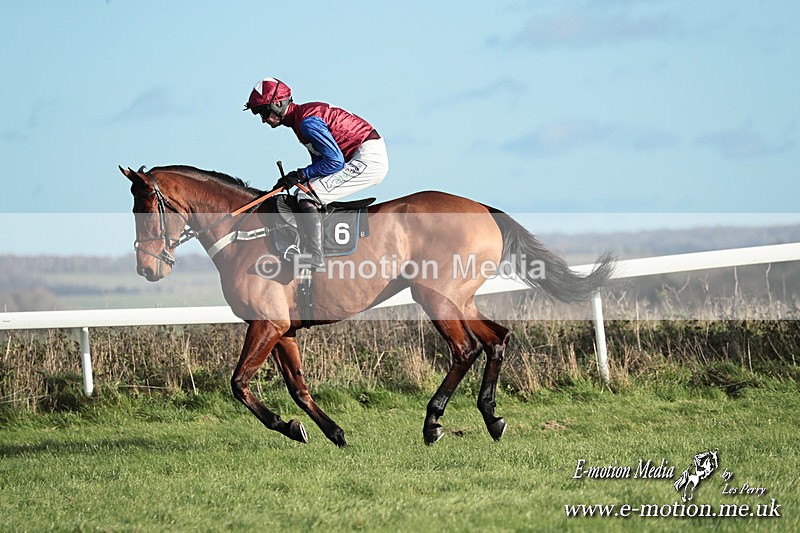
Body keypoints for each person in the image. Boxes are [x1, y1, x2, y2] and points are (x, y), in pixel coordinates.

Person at [244, 77, 388, 272]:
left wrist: (300, 174)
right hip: (359, 154)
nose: (263, 119)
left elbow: (335, 162)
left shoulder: (306, 123)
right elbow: (323, 163)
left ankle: (315, 257)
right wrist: (297, 178)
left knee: (306, 194)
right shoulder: (300, 120)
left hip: (367, 158)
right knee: (303, 191)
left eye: (263, 112)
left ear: (277, 104)